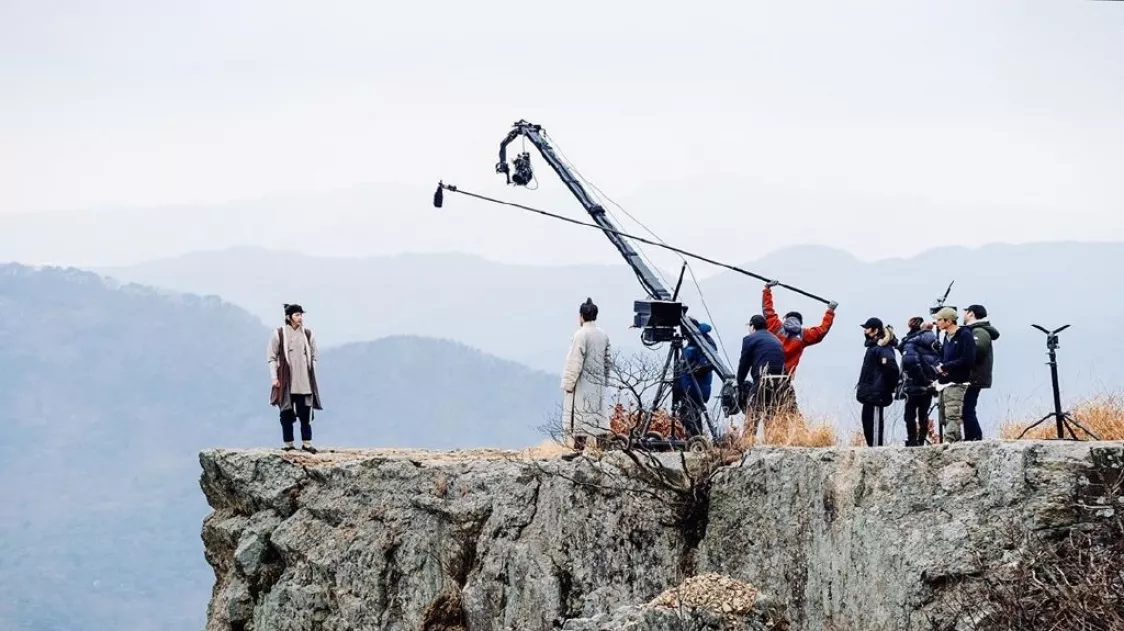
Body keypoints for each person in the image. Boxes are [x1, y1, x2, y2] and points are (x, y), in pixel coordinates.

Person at [268, 303, 322, 453]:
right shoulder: (279, 334)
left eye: (301, 314)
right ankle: (288, 444)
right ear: (289, 317)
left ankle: (307, 443)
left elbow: (314, 356)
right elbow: (272, 357)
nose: (300, 317)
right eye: (297, 315)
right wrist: (274, 378)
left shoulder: (308, 334)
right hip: (286, 381)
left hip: (304, 380)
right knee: (286, 413)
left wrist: (312, 375)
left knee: (306, 413)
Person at [561, 298, 612, 451]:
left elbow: (574, 361)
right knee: (599, 418)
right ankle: (603, 451)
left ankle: (578, 451)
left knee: (580, 419)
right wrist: (605, 379)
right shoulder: (603, 334)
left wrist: (568, 384)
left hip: (583, 383)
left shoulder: (581, 335)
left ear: (581, 316)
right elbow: (608, 361)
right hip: (598, 383)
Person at [762, 280, 838, 378]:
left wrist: (767, 289)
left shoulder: (775, 326)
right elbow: (823, 329)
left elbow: (768, 311)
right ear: (800, 322)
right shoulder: (804, 335)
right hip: (786, 377)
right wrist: (830, 311)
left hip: (767, 373)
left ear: (786, 319)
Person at [737, 314, 791, 438]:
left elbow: (744, 363)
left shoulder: (749, 339)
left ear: (752, 326)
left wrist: (739, 383)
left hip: (764, 378)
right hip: (783, 379)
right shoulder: (775, 339)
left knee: (753, 410)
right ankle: (773, 441)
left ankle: (747, 442)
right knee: (772, 411)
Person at [933, 306, 976, 443]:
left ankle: (949, 441)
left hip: (958, 381)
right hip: (945, 381)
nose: (937, 323)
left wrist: (946, 366)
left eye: (940, 320)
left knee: (953, 414)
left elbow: (968, 359)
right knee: (944, 416)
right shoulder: (947, 337)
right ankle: (956, 442)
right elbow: (944, 356)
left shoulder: (965, 335)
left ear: (949, 321)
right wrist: (940, 366)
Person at [855, 317, 900, 447]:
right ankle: (872, 450)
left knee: (874, 427)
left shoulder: (883, 348)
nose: (865, 332)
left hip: (876, 394)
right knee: (867, 424)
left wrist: (886, 389)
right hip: (869, 394)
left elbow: (892, 370)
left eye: (867, 329)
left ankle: (876, 453)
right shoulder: (873, 348)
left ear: (875, 330)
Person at [898, 317, 940, 446]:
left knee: (909, 414)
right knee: (923, 414)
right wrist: (930, 381)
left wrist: (920, 378)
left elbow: (910, 362)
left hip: (913, 384)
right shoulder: (935, 342)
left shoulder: (911, 342)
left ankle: (912, 440)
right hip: (930, 384)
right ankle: (921, 440)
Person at [963, 304, 999, 442]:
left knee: (968, 408)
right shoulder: (976, 330)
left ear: (971, 313)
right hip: (974, 375)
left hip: (975, 375)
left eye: (966, 312)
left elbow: (978, 350)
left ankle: (975, 437)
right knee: (967, 408)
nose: (964, 315)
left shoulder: (979, 331)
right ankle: (972, 437)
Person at [676, 319, 718, 437]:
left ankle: (695, 439)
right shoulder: (695, 342)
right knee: (687, 414)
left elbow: (708, 364)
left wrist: (692, 370)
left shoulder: (703, 342)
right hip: (690, 386)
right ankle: (693, 438)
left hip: (696, 387)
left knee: (691, 415)